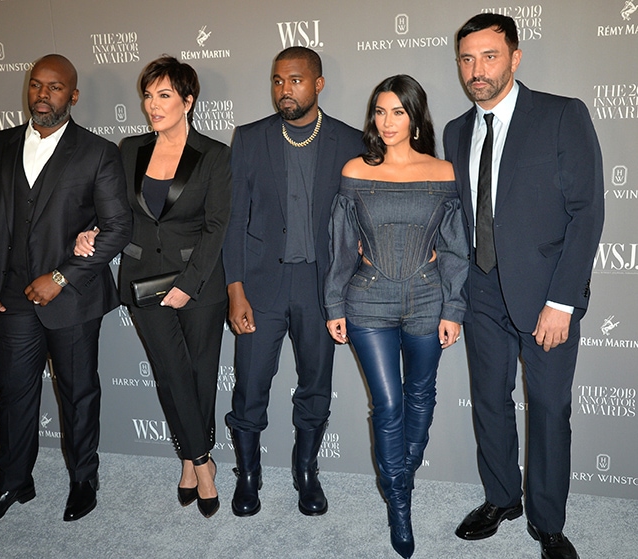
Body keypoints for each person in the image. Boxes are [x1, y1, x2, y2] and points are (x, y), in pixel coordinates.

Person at [443, 14, 604, 559]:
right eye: (467, 58)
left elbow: (587, 213)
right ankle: (501, 498)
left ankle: (549, 524)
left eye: (489, 56)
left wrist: (562, 301)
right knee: (489, 401)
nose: (476, 70)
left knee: (550, 410)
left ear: (515, 57)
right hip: (481, 292)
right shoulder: (455, 130)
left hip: (546, 295)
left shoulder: (562, 115)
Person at [0, 54, 132, 529]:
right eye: (36, 85)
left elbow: (118, 228)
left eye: (55, 87)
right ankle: (14, 481)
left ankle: (84, 480)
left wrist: (60, 276)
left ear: (73, 96)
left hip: (73, 297)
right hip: (10, 297)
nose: (43, 94)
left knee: (78, 393)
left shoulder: (98, 153)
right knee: (14, 393)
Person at [75, 55, 231, 518]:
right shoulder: (130, 149)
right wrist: (90, 230)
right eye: (148, 95)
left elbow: (218, 226)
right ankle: (204, 464)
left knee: (200, 376)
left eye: (164, 95)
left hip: (199, 284)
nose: (153, 105)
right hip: (142, 282)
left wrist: (188, 284)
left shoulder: (215, 154)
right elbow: (113, 210)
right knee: (171, 373)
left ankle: (187, 459)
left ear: (188, 101)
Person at [324, 75, 468, 558]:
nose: (387, 123)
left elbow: (454, 248)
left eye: (397, 112)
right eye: (380, 112)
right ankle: (400, 504)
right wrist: (333, 303)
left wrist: (454, 306)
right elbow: (341, 247)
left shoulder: (444, 171)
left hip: (428, 298)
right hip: (368, 299)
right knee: (388, 405)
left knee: (421, 397)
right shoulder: (355, 170)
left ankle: (398, 477)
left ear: (415, 116)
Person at [222, 46, 362, 517]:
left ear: (318, 84)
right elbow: (234, 220)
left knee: (315, 384)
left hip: (321, 288)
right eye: (278, 80)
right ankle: (248, 476)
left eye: (296, 80)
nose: (285, 89)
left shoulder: (349, 141)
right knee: (251, 384)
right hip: (261, 286)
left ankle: (307, 472)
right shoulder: (249, 138)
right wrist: (234, 290)